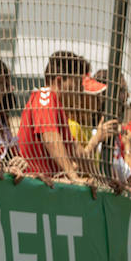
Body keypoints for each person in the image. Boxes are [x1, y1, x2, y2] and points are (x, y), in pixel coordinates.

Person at [15, 50, 89, 180]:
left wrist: (102, 180)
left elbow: (76, 150)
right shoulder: (45, 96)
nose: (81, 89)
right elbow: (50, 137)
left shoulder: (59, 110)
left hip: (48, 186)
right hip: (34, 186)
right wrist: (74, 178)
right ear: (59, 81)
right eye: (77, 83)